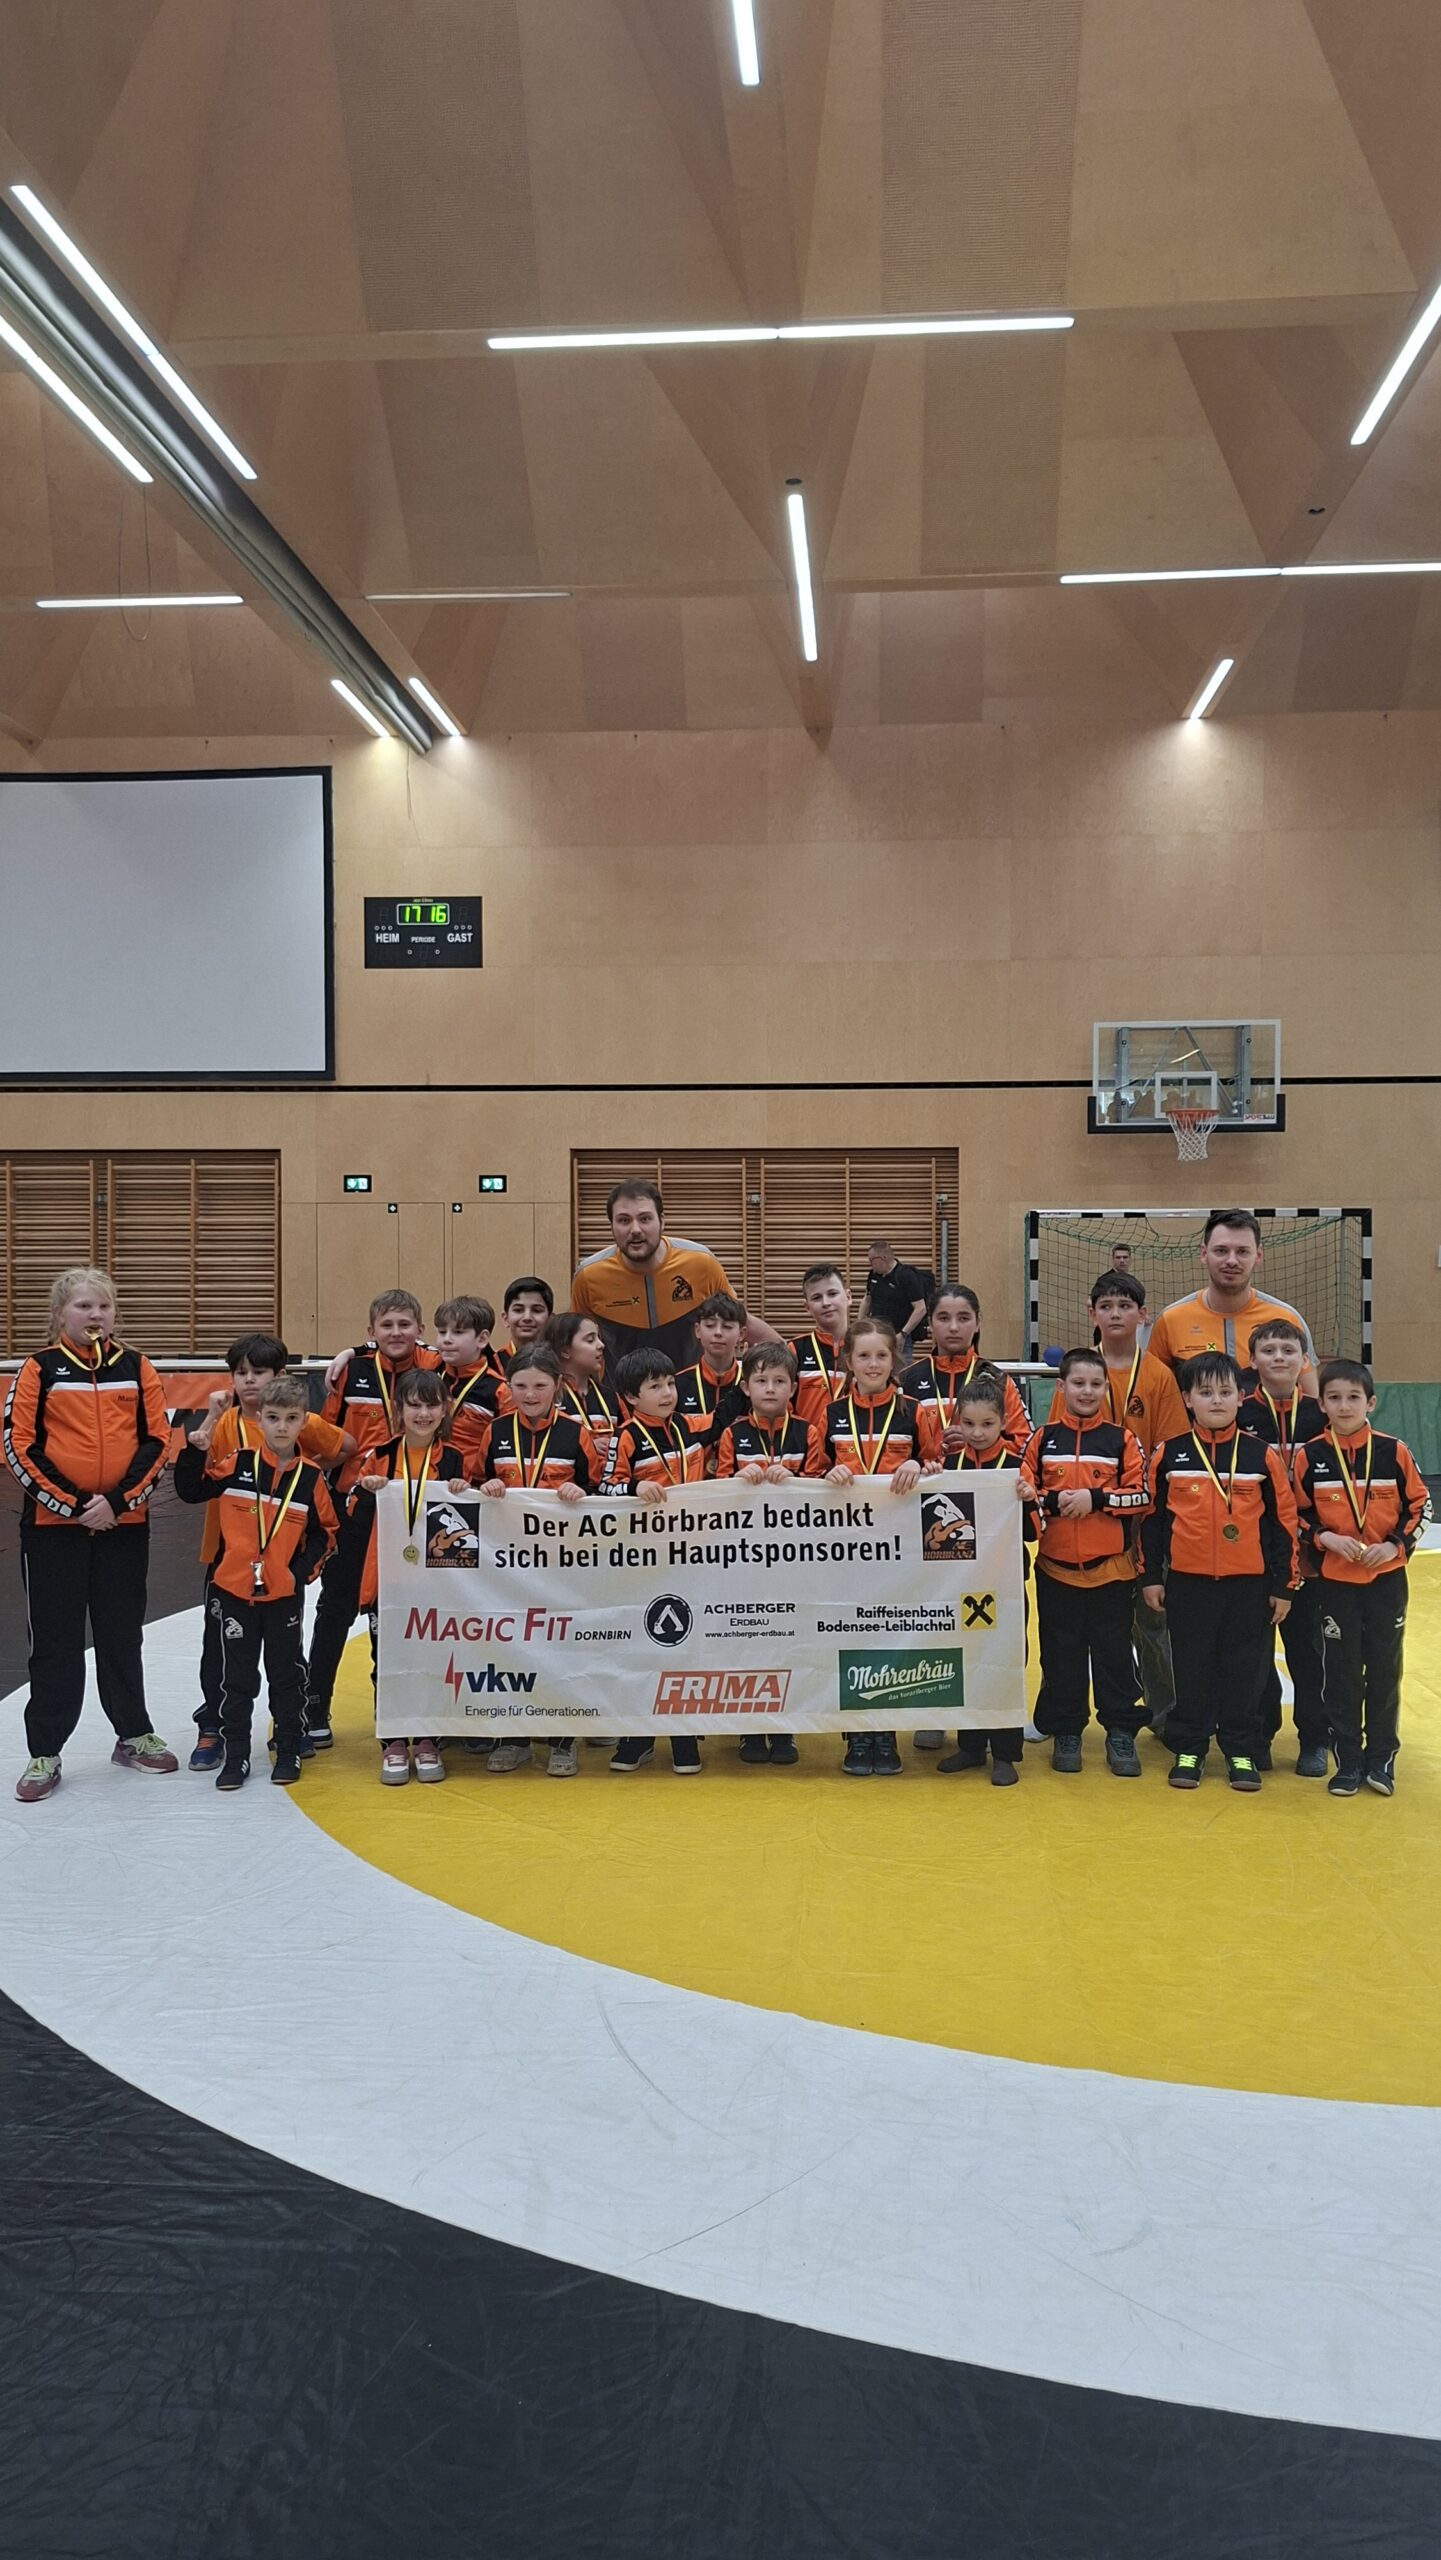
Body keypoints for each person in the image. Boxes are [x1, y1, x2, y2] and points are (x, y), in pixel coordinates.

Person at [7, 1266, 178, 1805]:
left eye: (103, 1306)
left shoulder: (137, 1366)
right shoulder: (39, 1368)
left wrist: (118, 1503)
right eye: (83, 1306)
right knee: (54, 1642)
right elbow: (18, 1446)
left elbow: (158, 1442)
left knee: (122, 1635)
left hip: (123, 1527)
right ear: (60, 1314)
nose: (95, 1315)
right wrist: (77, 1506)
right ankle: (45, 1750)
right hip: (53, 1530)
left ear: (115, 1313)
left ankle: (132, 1735)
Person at [184, 1333, 354, 1771]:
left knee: (285, 1655)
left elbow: (345, 1448)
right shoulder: (224, 1423)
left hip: (282, 1561)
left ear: (279, 1376)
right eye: (240, 1372)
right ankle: (214, 1726)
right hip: (228, 1556)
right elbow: (196, 1481)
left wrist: (310, 1478)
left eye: (257, 1372)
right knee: (221, 1651)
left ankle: (290, 1729)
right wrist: (207, 1422)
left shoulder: (299, 1419)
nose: (248, 1380)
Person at [1141, 1352, 1299, 1794]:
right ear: (1187, 1399)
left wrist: (1284, 1585)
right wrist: (1151, 1575)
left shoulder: (1260, 1455)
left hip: (1249, 1587)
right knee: (1190, 1669)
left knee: (1245, 1671)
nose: (1216, 1400)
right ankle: (1189, 1748)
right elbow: (1152, 1521)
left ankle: (1240, 1750)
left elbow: (1283, 1523)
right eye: (1205, 1392)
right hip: (1188, 1584)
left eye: (1225, 1392)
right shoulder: (1169, 1454)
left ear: (1241, 1397)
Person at [1047, 1272, 1187, 1743]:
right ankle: (1057, 1714)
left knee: (1152, 1621)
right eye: (1105, 1306)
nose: (1115, 1314)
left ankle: (1166, 1714)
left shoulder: (1159, 1376)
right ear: (1092, 1313)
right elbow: (1053, 1449)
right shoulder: (1078, 1372)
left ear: (1143, 1315)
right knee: (1067, 1627)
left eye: (1125, 1306)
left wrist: (1140, 1501)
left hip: (1143, 1520)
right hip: (1082, 1522)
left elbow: (1169, 1452)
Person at [305, 1290, 441, 1750]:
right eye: (386, 1326)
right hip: (356, 1507)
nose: (396, 1333)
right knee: (335, 1609)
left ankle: (407, 1711)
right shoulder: (353, 1371)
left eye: (405, 1324)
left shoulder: (435, 1367)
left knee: (410, 1615)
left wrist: (354, 1347)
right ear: (372, 1332)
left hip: (416, 1510)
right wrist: (354, 1353)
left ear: (419, 1329)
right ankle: (314, 1705)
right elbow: (327, 1434)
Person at [1293, 1360, 1429, 1798]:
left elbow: (1421, 1507)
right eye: (1334, 1398)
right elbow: (1294, 1514)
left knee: (1385, 1669)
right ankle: (1348, 1760)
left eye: (1353, 1397)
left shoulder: (1394, 1451)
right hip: (1336, 1584)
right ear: (1321, 1404)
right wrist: (1325, 1537)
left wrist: (1394, 1546)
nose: (1344, 1405)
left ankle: (1382, 1757)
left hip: (1386, 1581)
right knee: (1342, 1671)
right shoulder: (1310, 1456)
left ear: (1370, 1403)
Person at [1019, 1348, 1149, 1777]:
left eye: (1095, 1384)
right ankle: (1067, 1730)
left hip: (1111, 1571)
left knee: (1115, 1656)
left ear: (1106, 1388)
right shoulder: (1041, 1439)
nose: (1087, 1391)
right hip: (1055, 1571)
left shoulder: (1122, 1440)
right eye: (1078, 1383)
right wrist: (1056, 1501)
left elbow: (1142, 1495)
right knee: (1061, 1657)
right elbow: (1024, 1491)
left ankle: (1120, 1731)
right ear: (1061, 1387)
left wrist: (1095, 1499)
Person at [479, 1343, 598, 1778]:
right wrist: (487, 1487)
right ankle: (512, 1738)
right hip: (505, 1564)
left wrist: (581, 1492)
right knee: (509, 1647)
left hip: (561, 1563)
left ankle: (561, 1738)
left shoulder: (575, 1433)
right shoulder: (494, 1431)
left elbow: (599, 1489)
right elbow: (473, 1482)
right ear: (508, 1387)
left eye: (540, 1386)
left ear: (558, 1386)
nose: (530, 1395)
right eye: (521, 1386)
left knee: (558, 1649)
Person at [351, 1369, 470, 1787]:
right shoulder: (380, 1456)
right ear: (397, 1409)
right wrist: (366, 1489)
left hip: (437, 1583)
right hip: (389, 1581)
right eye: (414, 1405)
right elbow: (352, 1511)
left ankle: (428, 1739)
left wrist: (465, 1489)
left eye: (431, 1405)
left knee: (433, 1659)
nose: (423, 1414)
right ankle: (393, 1741)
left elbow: (470, 1521)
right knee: (388, 1659)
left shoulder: (454, 1460)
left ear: (445, 1409)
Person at [714, 1341, 823, 1767]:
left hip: (794, 1561)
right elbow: (718, 1489)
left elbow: (818, 1486)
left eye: (780, 1381)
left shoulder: (808, 1432)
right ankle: (749, 1726)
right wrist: (737, 1479)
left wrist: (794, 1480)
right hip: (743, 1560)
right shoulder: (732, 1434)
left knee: (788, 1643)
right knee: (747, 1643)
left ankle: (784, 1728)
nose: (771, 1388)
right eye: (761, 1380)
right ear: (746, 1387)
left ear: (794, 1387)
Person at [823, 1316, 923, 1778]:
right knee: (852, 1637)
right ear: (849, 1360)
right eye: (863, 1355)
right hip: (847, 1550)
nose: (873, 1363)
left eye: (882, 1355)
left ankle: (887, 1731)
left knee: (891, 1636)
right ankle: (857, 1734)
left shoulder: (912, 1411)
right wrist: (827, 1472)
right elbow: (812, 1470)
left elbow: (939, 1462)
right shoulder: (831, 1413)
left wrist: (920, 1464)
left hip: (899, 1550)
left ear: (894, 1359)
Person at [605, 1347, 705, 1774]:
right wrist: (633, 1489)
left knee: (688, 1647)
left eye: (670, 1383)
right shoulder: (625, 1436)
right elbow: (603, 1487)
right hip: (643, 1560)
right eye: (655, 1386)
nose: (667, 1393)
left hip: (694, 1556)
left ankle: (684, 1735)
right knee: (641, 1647)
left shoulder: (692, 1426)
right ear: (631, 1396)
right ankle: (638, 1735)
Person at [1237, 1318, 1329, 1774]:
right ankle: (1258, 1736)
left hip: (1310, 1555)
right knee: (1254, 1652)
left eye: (1288, 1350)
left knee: (1308, 1652)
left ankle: (1315, 1738)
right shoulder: (1238, 1415)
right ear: (1252, 1360)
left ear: (1304, 1360)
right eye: (1269, 1350)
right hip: (1255, 1553)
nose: (1279, 1357)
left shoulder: (1321, 1414)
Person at [570, 1178, 778, 1367]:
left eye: (645, 1219)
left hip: (691, 1391)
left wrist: (787, 1358)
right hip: (618, 1394)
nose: (635, 1230)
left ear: (662, 1221)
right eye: (624, 1220)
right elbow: (572, 1341)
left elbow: (739, 1321)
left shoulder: (701, 1263)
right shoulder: (589, 1276)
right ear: (612, 1226)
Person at [933, 1371, 1028, 1785]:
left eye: (987, 1423)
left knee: (1004, 1659)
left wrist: (1028, 1500)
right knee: (967, 1658)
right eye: (968, 1423)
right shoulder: (948, 1467)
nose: (977, 1432)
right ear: (957, 1421)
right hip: (961, 1583)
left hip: (1004, 1582)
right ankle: (970, 1745)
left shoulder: (1017, 1468)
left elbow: (1034, 1532)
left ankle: (1006, 1752)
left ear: (1003, 1421)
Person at [1147, 1211, 1318, 1390]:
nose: (1231, 1261)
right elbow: (1154, 1392)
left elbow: (1312, 1397)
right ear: (1204, 1253)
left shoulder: (1287, 1318)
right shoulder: (1171, 1320)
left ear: (1258, 1256)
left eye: (1242, 1251)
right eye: (1221, 1251)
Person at [545, 1311, 621, 1483]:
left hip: (609, 1489)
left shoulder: (611, 1397)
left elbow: (631, 1439)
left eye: (599, 1338)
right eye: (590, 1340)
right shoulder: (548, 1397)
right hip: (567, 1490)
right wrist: (587, 1446)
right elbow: (535, 1446)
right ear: (565, 1350)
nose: (601, 1345)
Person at [433, 1295, 501, 1481]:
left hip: (472, 1486)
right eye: (442, 1332)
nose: (447, 1340)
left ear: (482, 1339)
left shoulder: (499, 1390)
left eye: (458, 1332)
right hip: (428, 1481)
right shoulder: (430, 1377)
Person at [674, 1291, 748, 1461]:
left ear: (741, 1334)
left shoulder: (752, 1383)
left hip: (742, 1474)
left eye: (727, 1327)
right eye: (710, 1325)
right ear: (697, 1330)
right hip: (694, 1474)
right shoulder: (677, 1384)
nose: (718, 1332)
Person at [788, 1262, 852, 1435]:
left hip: (854, 1447)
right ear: (807, 1307)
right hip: (808, 1446)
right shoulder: (795, 1350)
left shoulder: (866, 1347)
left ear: (848, 1297)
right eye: (817, 1298)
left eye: (832, 1294)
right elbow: (783, 1408)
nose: (826, 1303)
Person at [864, 1240, 930, 1358]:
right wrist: (859, 1325)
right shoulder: (873, 1275)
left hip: (899, 1334)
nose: (870, 1264)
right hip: (877, 1333)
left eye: (871, 1260)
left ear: (883, 1258)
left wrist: (903, 1334)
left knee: (901, 1367)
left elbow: (921, 1308)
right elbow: (867, 1300)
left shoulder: (906, 1276)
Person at [499, 1277, 554, 1372]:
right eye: (518, 1310)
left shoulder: (561, 1364)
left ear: (550, 1319)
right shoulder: (493, 1364)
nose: (527, 1317)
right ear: (506, 1318)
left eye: (537, 1310)